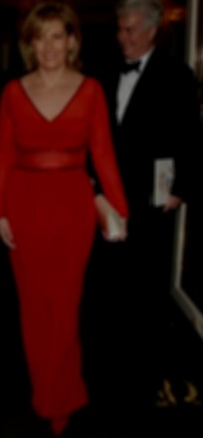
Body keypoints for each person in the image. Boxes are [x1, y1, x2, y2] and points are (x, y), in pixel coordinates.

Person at [0, 2, 129, 435]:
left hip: (73, 205)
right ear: (31, 44)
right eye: (41, 37)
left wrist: (120, 211)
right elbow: (3, 157)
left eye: (58, 36)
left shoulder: (89, 90)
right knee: (34, 308)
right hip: (24, 203)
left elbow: (104, 156)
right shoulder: (14, 91)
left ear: (71, 41)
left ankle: (62, 393)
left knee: (65, 306)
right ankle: (48, 391)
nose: (49, 45)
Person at [83, 0, 199, 422]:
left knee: (145, 293)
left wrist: (180, 190)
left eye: (131, 30)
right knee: (102, 290)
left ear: (153, 30)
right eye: (120, 29)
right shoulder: (104, 71)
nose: (123, 37)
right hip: (105, 200)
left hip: (151, 202)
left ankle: (140, 388)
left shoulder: (177, 76)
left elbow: (189, 138)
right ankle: (99, 380)